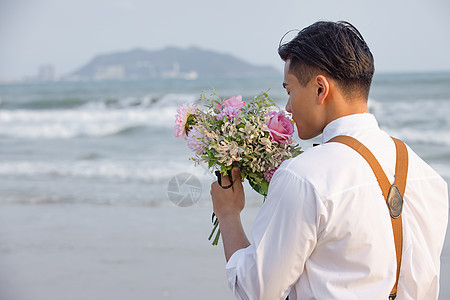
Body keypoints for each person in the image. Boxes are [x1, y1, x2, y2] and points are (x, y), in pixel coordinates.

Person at [210, 21, 449, 299]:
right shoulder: (429, 177)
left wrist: (228, 216)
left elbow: (256, 291)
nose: (287, 108)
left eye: (289, 91)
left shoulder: (304, 176)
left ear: (320, 89)